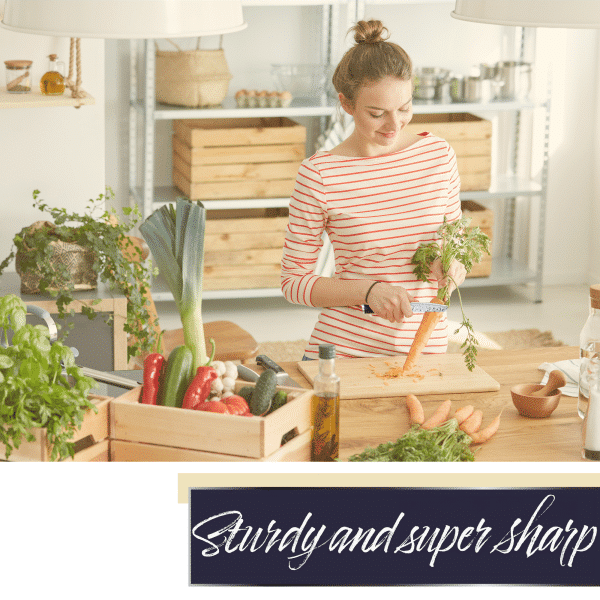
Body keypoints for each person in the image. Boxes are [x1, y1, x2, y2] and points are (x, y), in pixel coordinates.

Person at [280, 19, 466, 360]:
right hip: (345, 353)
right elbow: (294, 282)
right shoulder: (319, 174)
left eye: (405, 108)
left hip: (425, 349)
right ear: (347, 104)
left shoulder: (439, 156)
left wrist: (453, 265)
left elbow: (456, 243)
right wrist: (369, 290)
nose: (394, 125)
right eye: (377, 113)